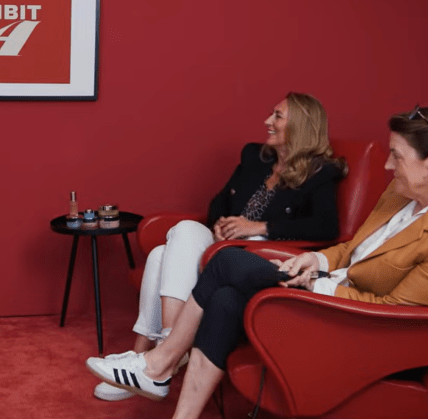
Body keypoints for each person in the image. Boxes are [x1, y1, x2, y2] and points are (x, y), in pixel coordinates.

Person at [87, 105, 428, 419]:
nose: (387, 166)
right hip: (333, 294)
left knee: (227, 262)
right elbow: (353, 249)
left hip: (363, 330)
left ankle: (158, 366)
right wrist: (316, 263)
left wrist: (318, 285)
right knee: (226, 298)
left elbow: (395, 314)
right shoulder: (403, 194)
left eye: (397, 156)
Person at [94, 92, 345, 402]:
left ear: (302, 127)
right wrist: (220, 224)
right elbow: (219, 202)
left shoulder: (321, 173)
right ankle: (152, 359)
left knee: (173, 241)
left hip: (258, 255)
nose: (268, 121)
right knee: (169, 246)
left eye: (277, 116)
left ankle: (161, 356)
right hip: (223, 245)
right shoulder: (256, 157)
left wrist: (260, 228)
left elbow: (325, 228)